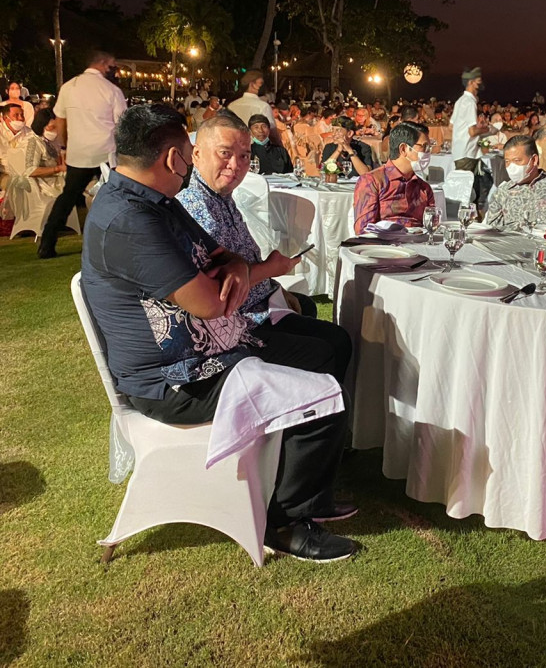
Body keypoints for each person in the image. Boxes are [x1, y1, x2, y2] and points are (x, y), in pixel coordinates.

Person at [81, 104, 356, 562]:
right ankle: (287, 524)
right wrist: (229, 280)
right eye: (189, 156)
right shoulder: (130, 220)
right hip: (174, 378)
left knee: (322, 352)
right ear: (173, 158)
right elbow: (212, 304)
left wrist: (233, 269)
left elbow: (225, 255)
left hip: (212, 347)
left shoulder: (153, 201)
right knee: (318, 392)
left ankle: (305, 489)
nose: (189, 167)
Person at [178, 112, 356, 452]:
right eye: (225, 153)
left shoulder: (222, 199)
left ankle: (326, 435)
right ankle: (300, 443)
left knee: (336, 338)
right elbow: (220, 285)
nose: (236, 164)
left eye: (244, 155)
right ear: (196, 153)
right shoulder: (195, 206)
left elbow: (241, 265)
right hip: (236, 328)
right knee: (323, 349)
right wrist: (271, 271)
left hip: (260, 308)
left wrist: (273, 285)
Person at [38, 51, 127, 259]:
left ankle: (47, 243)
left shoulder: (69, 86)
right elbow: (122, 124)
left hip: (79, 153)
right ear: (103, 64)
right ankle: (119, 240)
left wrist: (67, 145)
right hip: (107, 152)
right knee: (117, 196)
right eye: (112, 65)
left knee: (67, 198)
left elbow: (60, 120)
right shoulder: (111, 90)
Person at [352, 122, 435, 233]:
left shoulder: (424, 188)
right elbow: (363, 230)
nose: (428, 152)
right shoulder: (373, 181)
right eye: (424, 146)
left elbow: (433, 226)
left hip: (418, 245)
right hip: (384, 246)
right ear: (404, 149)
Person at [450, 67, 496, 212]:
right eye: (478, 83)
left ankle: (467, 218)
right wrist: (489, 130)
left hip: (459, 152)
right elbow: (472, 131)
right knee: (469, 193)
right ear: (470, 83)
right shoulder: (469, 102)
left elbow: (451, 126)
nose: (479, 87)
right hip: (468, 153)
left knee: (463, 191)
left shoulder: (459, 101)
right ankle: (469, 221)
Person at [229, 71, 280, 146]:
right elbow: (272, 133)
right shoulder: (263, 106)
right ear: (252, 84)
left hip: (235, 150)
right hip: (256, 151)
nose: (263, 87)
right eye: (261, 83)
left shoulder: (231, 106)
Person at [23, 108, 67, 195]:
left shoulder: (49, 140)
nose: (55, 131)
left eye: (57, 127)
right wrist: (57, 169)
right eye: (52, 127)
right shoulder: (33, 142)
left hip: (57, 179)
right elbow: (30, 170)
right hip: (44, 185)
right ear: (41, 125)